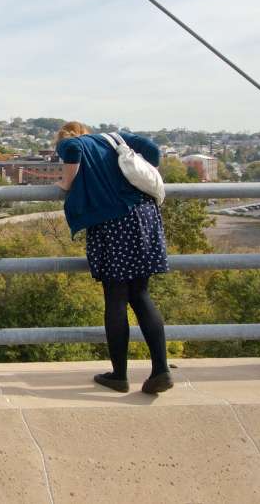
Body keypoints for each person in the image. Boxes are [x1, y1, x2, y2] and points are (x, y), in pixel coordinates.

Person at [56, 121, 172, 394]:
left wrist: (66, 181)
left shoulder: (74, 142)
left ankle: (119, 375)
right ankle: (161, 370)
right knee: (140, 295)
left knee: (116, 297)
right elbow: (153, 151)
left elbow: (71, 147)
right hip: (143, 214)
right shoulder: (116, 138)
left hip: (113, 222)